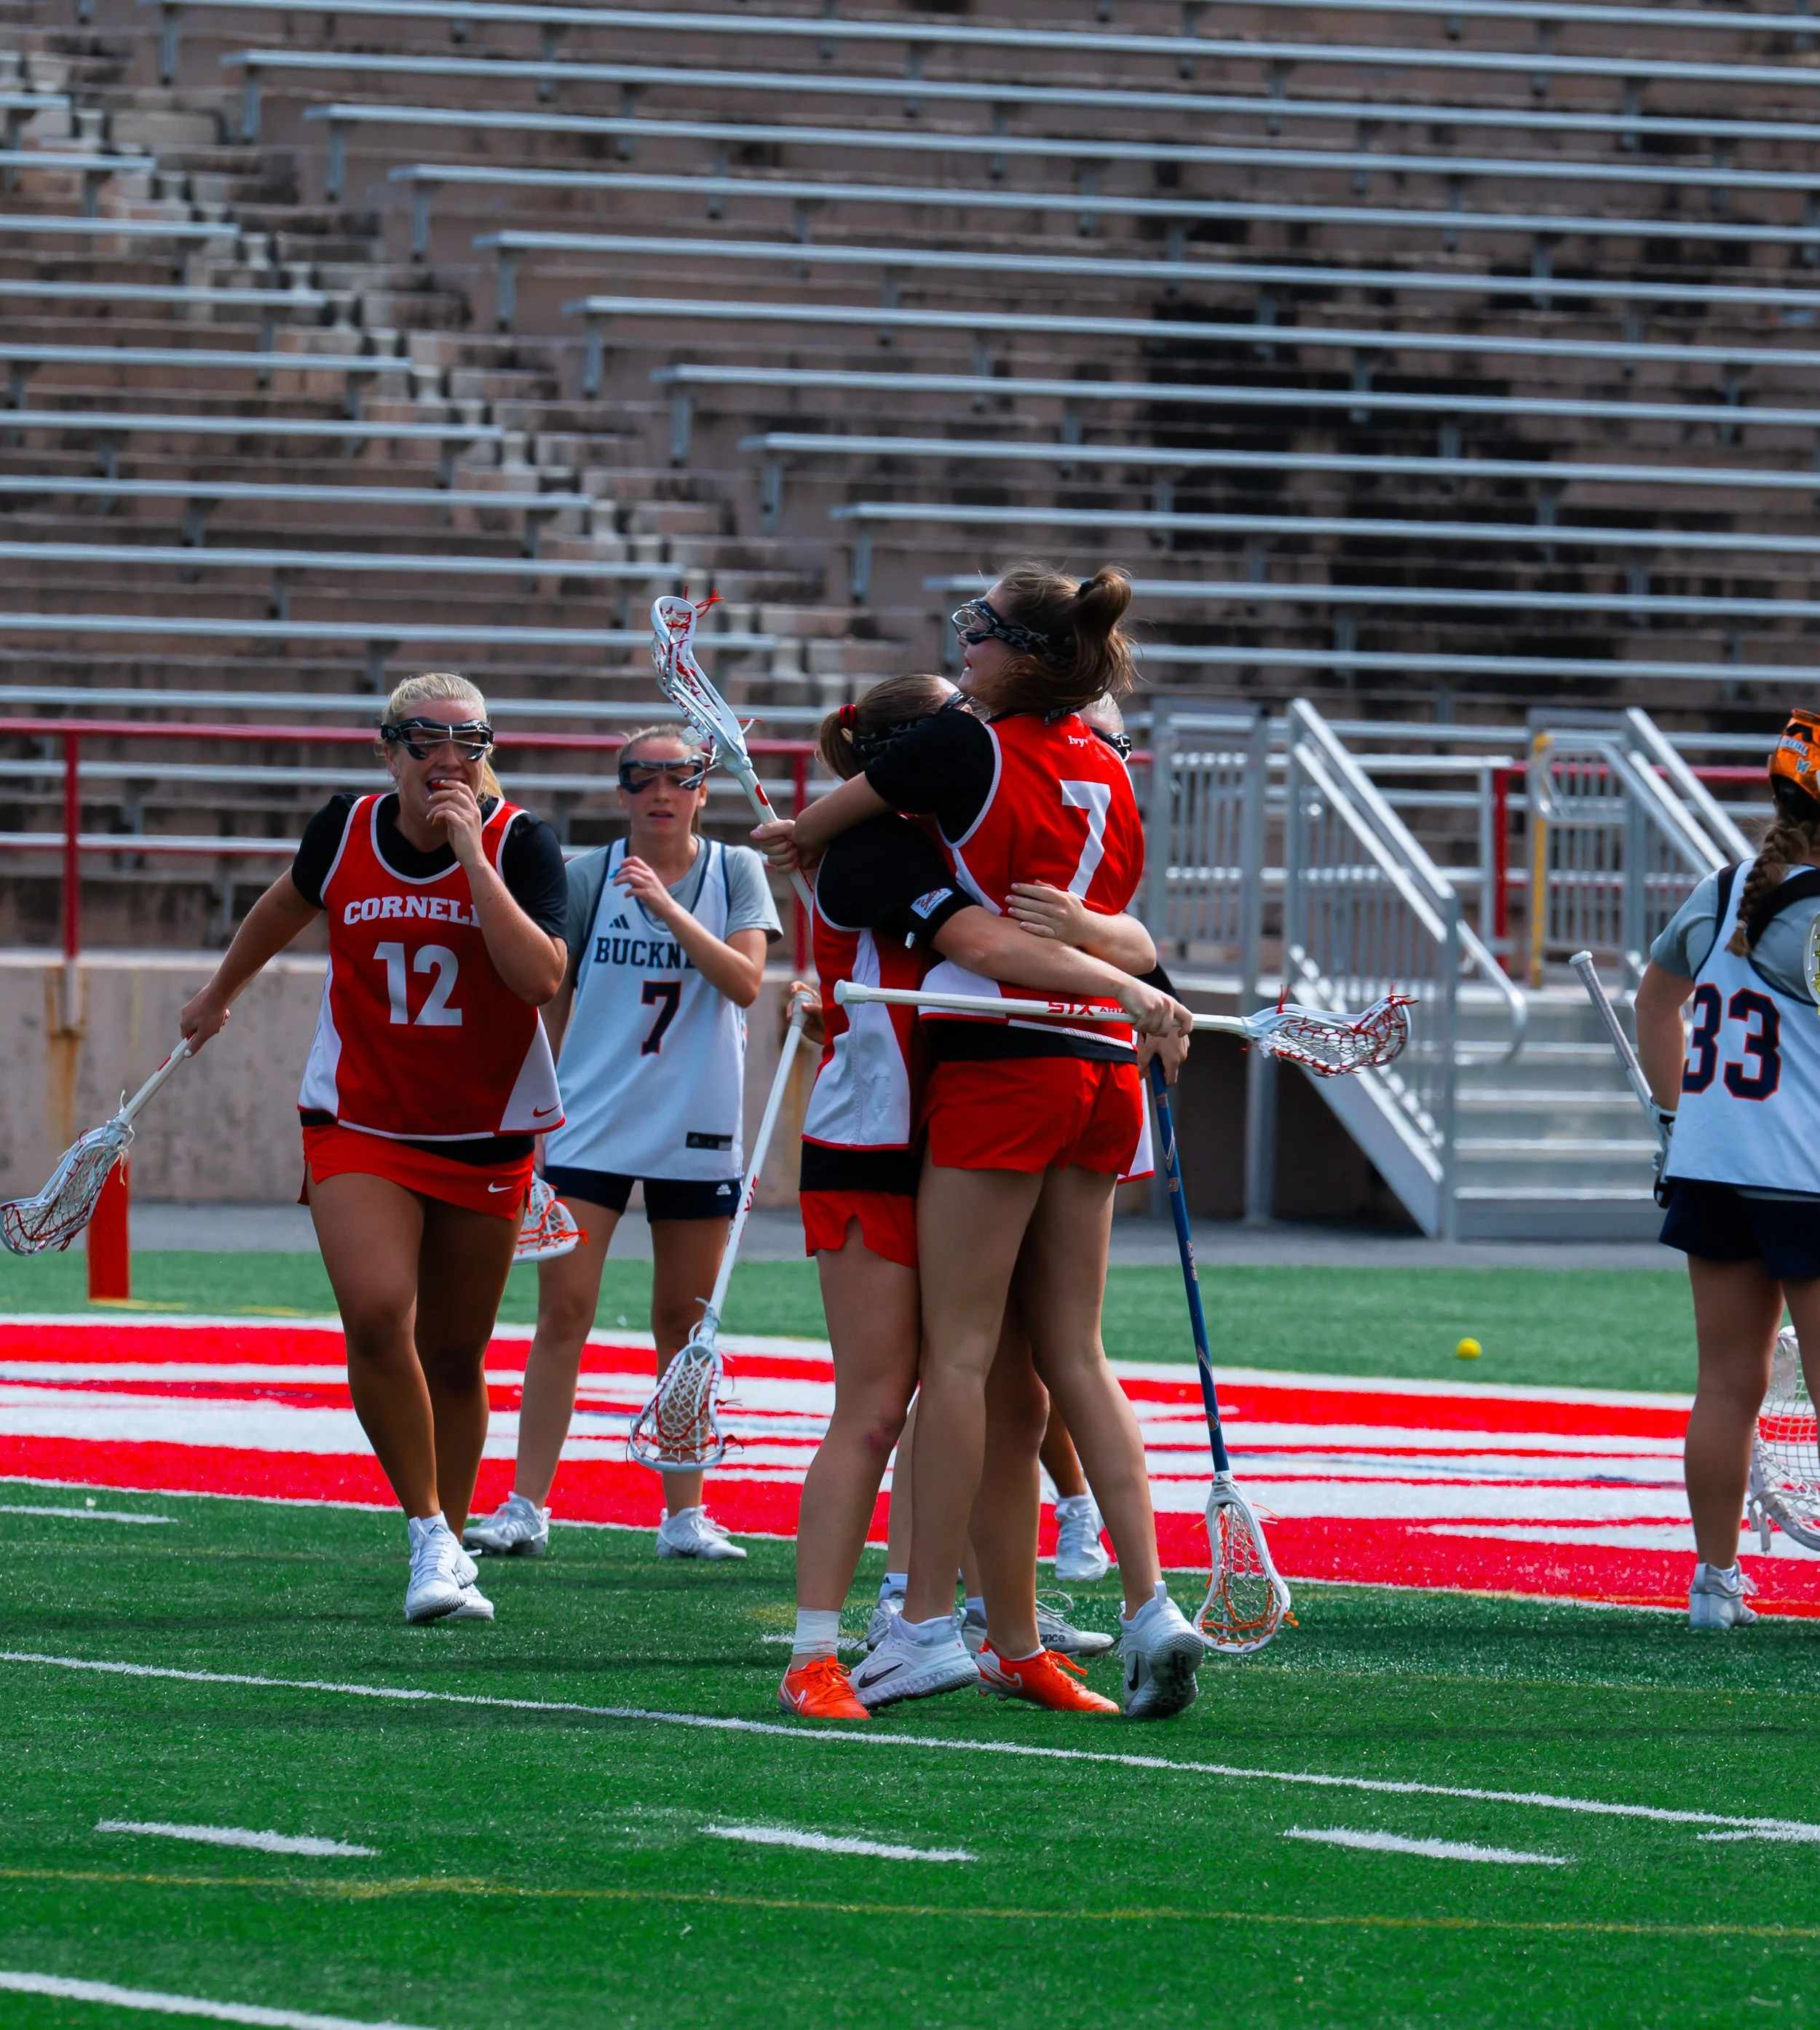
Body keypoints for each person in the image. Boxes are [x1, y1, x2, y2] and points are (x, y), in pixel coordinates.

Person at [766, 563, 1206, 1720]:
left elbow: (1002, 943)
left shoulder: (958, 767)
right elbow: (1108, 931)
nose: (964, 654)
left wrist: (1126, 966)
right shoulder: (1092, 764)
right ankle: (917, 1628)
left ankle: (946, 1627)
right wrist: (1133, 975)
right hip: (956, 1103)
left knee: (974, 1378)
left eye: (978, 637)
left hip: (992, 1079)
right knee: (946, 1386)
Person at [178, 674, 569, 1624]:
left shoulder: (523, 842)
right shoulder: (344, 829)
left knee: (456, 1351)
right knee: (377, 1309)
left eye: (467, 743)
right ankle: (429, 1533)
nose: (447, 761)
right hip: (358, 1118)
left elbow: (537, 978)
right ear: (387, 750)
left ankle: (454, 1534)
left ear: (487, 752)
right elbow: (284, 904)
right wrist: (220, 990)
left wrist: (473, 858)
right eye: (425, 742)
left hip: (484, 1127)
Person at [464, 724, 780, 1565]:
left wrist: (668, 909)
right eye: (642, 779)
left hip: (699, 1123)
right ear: (621, 792)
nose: (661, 793)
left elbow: (745, 982)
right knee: (562, 1312)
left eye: (678, 777)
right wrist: (556, 1092)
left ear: (703, 790)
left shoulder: (735, 871)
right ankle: (527, 1503)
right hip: (594, 1123)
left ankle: (684, 1512)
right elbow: (548, 991)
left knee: (684, 1321)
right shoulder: (586, 874)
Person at [1635, 708, 1820, 1632]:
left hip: (1712, 1166)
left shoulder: (1725, 885)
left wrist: (1678, 1117)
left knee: (1724, 1385)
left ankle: (1714, 1584)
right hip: (1805, 1173)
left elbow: (1655, 1001)